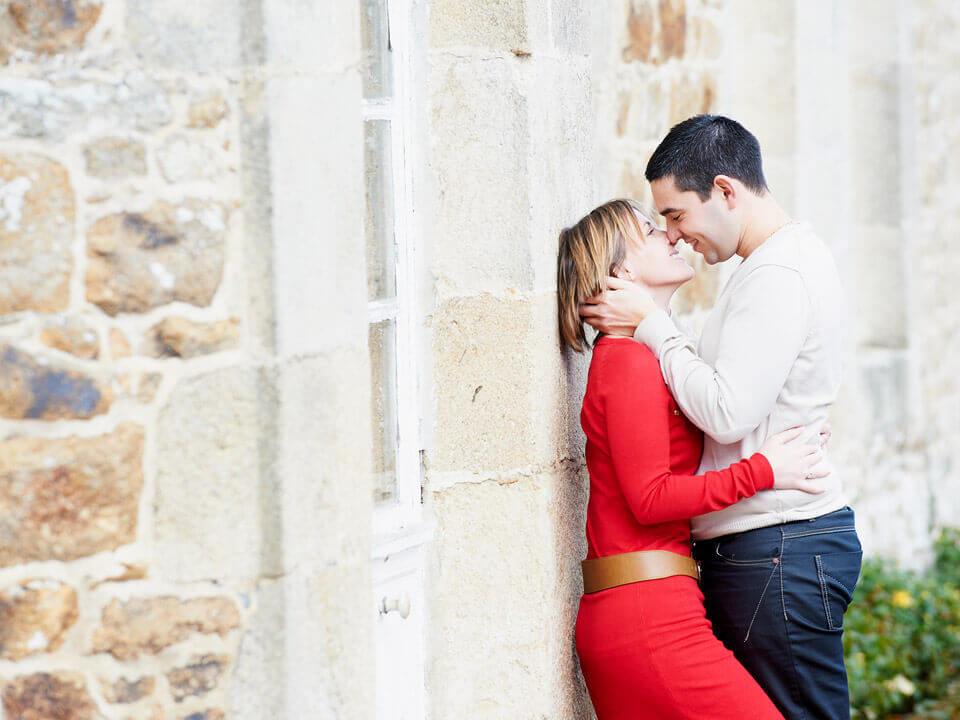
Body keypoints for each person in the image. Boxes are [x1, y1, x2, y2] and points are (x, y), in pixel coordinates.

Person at [580, 115, 862, 719]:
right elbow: (721, 412)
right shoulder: (771, 268)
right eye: (661, 228)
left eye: (677, 215)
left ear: (726, 191)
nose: (676, 236)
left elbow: (727, 412)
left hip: (777, 544)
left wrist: (655, 326)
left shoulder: (775, 274)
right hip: (754, 552)